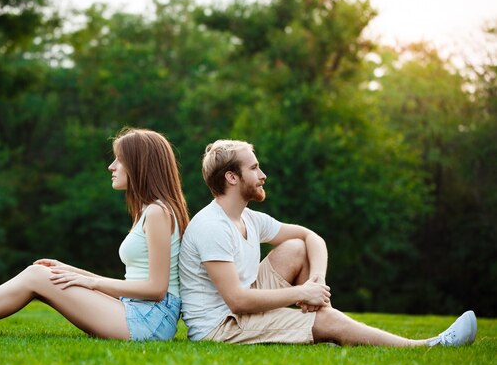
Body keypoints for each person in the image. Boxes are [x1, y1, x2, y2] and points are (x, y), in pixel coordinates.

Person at [0, 128, 189, 341]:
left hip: (150, 322)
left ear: (139, 164)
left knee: (35, 277)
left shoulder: (158, 212)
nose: (111, 166)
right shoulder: (150, 210)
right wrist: (70, 270)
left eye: (119, 159)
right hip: (139, 312)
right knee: (43, 272)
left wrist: (91, 281)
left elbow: (156, 288)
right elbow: (137, 282)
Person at [178, 139, 477, 346]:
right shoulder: (211, 226)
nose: (263, 175)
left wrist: (316, 285)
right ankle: (426, 345)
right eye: (254, 168)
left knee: (296, 246)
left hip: (241, 307)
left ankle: (321, 318)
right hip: (221, 326)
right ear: (231, 177)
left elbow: (312, 238)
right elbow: (238, 301)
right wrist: (302, 291)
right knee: (327, 321)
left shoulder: (250, 219)